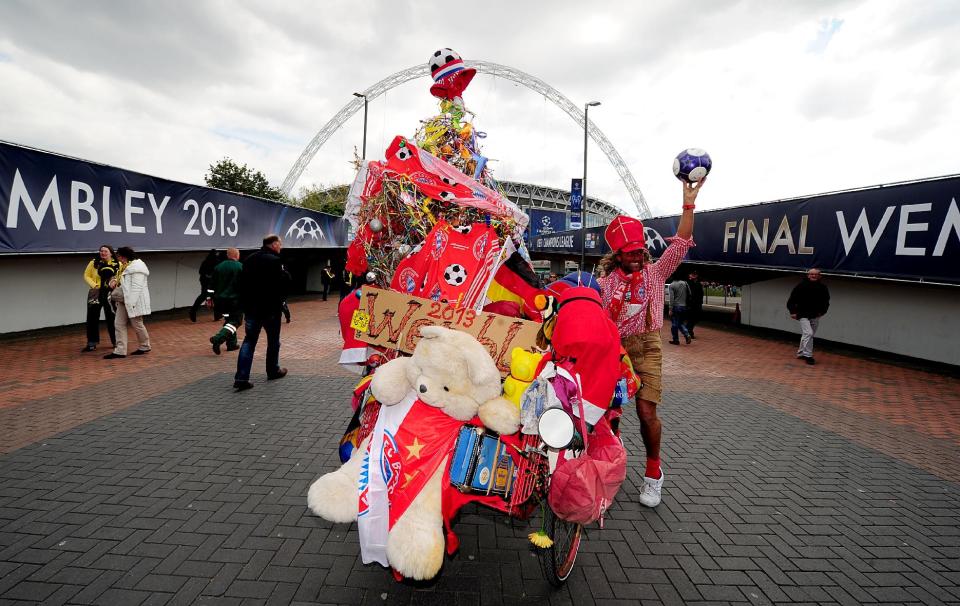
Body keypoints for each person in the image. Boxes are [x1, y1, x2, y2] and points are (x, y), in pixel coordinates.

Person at [598, 178, 705, 508]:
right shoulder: (604, 283)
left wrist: (688, 204)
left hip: (647, 346)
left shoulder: (656, 274)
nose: (635, 260)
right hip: (613, 349)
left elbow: (681, 241)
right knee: (608, 415)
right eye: (628, 255)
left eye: (638, 254)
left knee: (646, 412)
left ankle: (653, 473)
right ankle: (610, 471)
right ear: (617, 255)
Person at [233, 234, 291, 390]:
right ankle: (273, 369)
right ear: (273, 245)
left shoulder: (249, 259)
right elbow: (283, 283)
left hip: (252, 309)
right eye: (280, 244)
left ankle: (241, 377)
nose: (281, 246)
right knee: (273, 341)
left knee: (249, 341)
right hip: (270, 309)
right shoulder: (275, 261)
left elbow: (241, 284)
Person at [104, 247, 151, 359]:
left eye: (119, 256)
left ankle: (145, 345)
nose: (118, 259)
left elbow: (136, 287)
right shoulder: (125, 266)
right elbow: (119, 278)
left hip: (133, 301)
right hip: (124, 300)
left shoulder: (137, 268)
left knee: (137, 324)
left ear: (124, 256)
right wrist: (114, 280)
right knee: (119, 324)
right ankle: (120, 351)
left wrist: (131, 303)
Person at [787, 268, 830, 365]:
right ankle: (808, 356)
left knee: (808, 335)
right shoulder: (801, 286)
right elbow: (792, 299)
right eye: (811, 274)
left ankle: (801, 352)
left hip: (815, 315)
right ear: (808, 275)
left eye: (816, 274)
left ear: (820, 276)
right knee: (809, 333)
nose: (813, 276)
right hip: (802, 314)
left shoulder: (823, 288)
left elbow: (826, 301)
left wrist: (822, 312)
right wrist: (793, 312)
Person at [82, 245, 121, 352]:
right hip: (95, 292)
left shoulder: (118, 264)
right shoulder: (94, 262)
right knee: (92, 317)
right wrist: (95, 285)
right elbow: (86, 275)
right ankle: (92, 343)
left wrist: (115, 283)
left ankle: (116, 342)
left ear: (111, 253)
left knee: (112, 317)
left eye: (105, 251)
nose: (103, 253)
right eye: (101, 251)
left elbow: (120, 276)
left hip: (110, 293)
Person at [209, 248, 244, 355]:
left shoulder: (218, 267)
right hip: (235, 300)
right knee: (236, 321)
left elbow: (211, 285)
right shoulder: (240, 267)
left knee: (229, 320)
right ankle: (218, 338)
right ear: (237, 255)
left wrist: (209, 298)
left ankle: (231, 344)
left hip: (220, 301)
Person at [189, 249, 220, 323]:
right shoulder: (217, 262)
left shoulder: (205, 261)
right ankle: (217, 315)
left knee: (204, 296)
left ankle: (193, 311)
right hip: (212, 282)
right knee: (214, 297)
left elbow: (200, 272)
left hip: (204, 281)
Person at [667, 278, 693, 345]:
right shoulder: (685, 283)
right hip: (684, 306)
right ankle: (687, 334)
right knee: (680, 323)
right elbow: (689, 293)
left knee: (674, 324)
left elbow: (671, 298)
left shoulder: (672, 285)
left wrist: (670, 308)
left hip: (676, 306)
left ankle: (676, 339)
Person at [685, 270, 704, 339]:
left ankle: (688, 329)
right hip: (691, 304)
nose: (694, 275)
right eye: (692, 274)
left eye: (695, 274)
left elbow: (701, 294)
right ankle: (689, 332)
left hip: (698, 304)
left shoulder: (698, 284)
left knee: (696, 318)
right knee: (691, 318)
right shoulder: (688, 283)